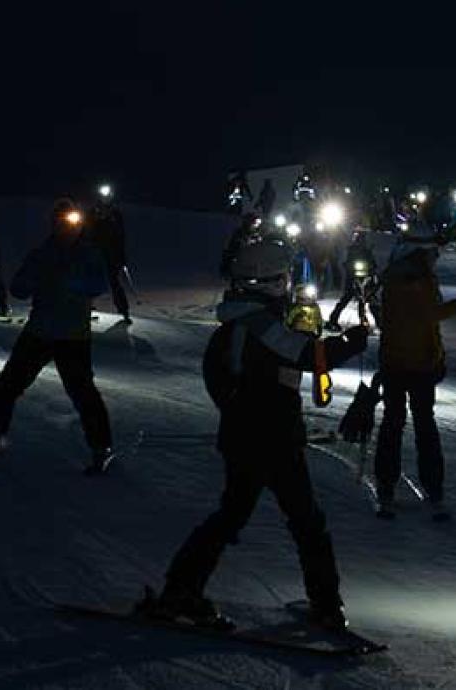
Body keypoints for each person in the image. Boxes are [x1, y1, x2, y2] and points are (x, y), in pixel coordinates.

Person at [146, 239, 371, 631]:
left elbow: (233, 377)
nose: (289, 284)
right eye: (284, 277)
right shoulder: (258, 324)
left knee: (232, 515)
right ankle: (325, 605)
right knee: (304, 521)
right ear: (269, 281)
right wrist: (349, 343)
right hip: (272, 438)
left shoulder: (241, 324)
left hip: (245, 436)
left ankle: (180, 590)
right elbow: (308, 356)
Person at [0, 199, 114, 472]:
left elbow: (99, 284)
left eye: (72, 223)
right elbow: (19, 287)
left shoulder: (88, 254)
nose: (67, 228)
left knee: (83, 394)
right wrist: (37, 277)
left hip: (72, 337)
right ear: (54, 225)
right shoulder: (42, 254)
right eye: (62, 222)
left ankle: (101, 448)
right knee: (6, 386)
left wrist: (70, 280)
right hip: (40, 331)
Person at [366, 228, 456, 519]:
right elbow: (426, 315)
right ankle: (412, 489)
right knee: (415, 428)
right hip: (409, 364)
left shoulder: (406, 275)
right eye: (432, 252)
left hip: (406, 362)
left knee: (400, 425)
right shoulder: (410, 278)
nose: (436, 257)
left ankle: (396, 487)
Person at [88, 190, 133, 323]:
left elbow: (121, 237)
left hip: (111, 254)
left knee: (115, 283)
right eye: (102, 197)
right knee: (90, 280)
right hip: (95, 253)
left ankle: (124, 311)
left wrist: (121, 256)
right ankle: (86, 308)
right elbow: (87, 231)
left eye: (107, 197)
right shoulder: (94, 213)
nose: (104, 199)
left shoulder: (115, 214)